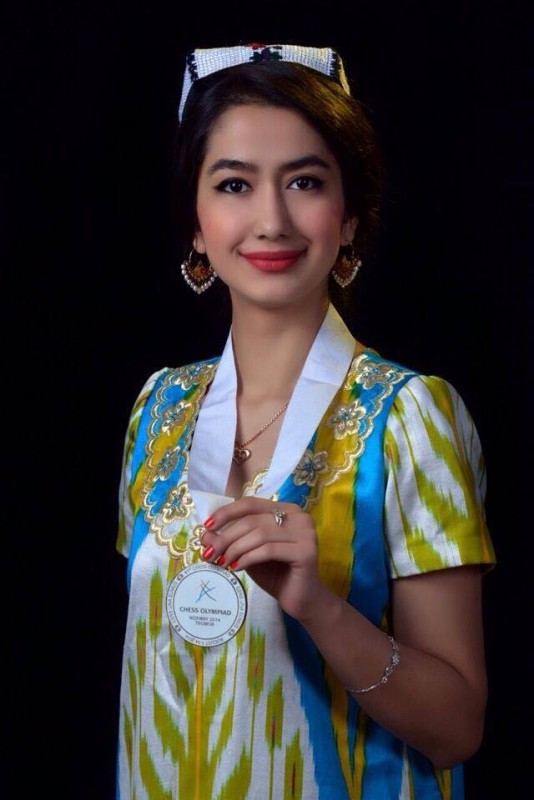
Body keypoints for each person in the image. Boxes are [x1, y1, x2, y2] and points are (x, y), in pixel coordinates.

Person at [115, 42, 496, 799]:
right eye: (234, 184)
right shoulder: (156, 410)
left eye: (305, 182)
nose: (271, 219)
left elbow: (458, 729)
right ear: (195, 224)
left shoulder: (409, 417)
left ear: (348, 218)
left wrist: (318, 607)